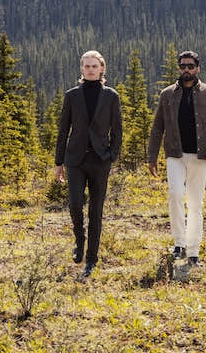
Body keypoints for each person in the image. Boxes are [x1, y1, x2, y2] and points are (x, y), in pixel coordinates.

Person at [147, 49, 206, 266]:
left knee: (195, 203)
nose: (186, 70)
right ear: (179, 68)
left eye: (190, 66)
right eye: (183, 66)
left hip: (201, 156)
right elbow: (157, 127)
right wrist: (152, 156)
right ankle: (179, 244)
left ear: (197, 68)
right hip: (175, 154)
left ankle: (193, 252)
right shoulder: (167, 95)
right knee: (174, 194)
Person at [55, 49, 123, 277]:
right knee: (75, 204)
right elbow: (63, 130)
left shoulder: (111, 96)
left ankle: (92, 258)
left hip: (100, 160)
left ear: (102, 68)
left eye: (95, 66)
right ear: (81, 69)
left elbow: (118, 130)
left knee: (96, 210)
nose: (91, 70)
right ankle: (79, 240)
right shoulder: (72, 96)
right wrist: (59, 162)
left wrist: (111, 155)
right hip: (75, 160)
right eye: (87, 66)